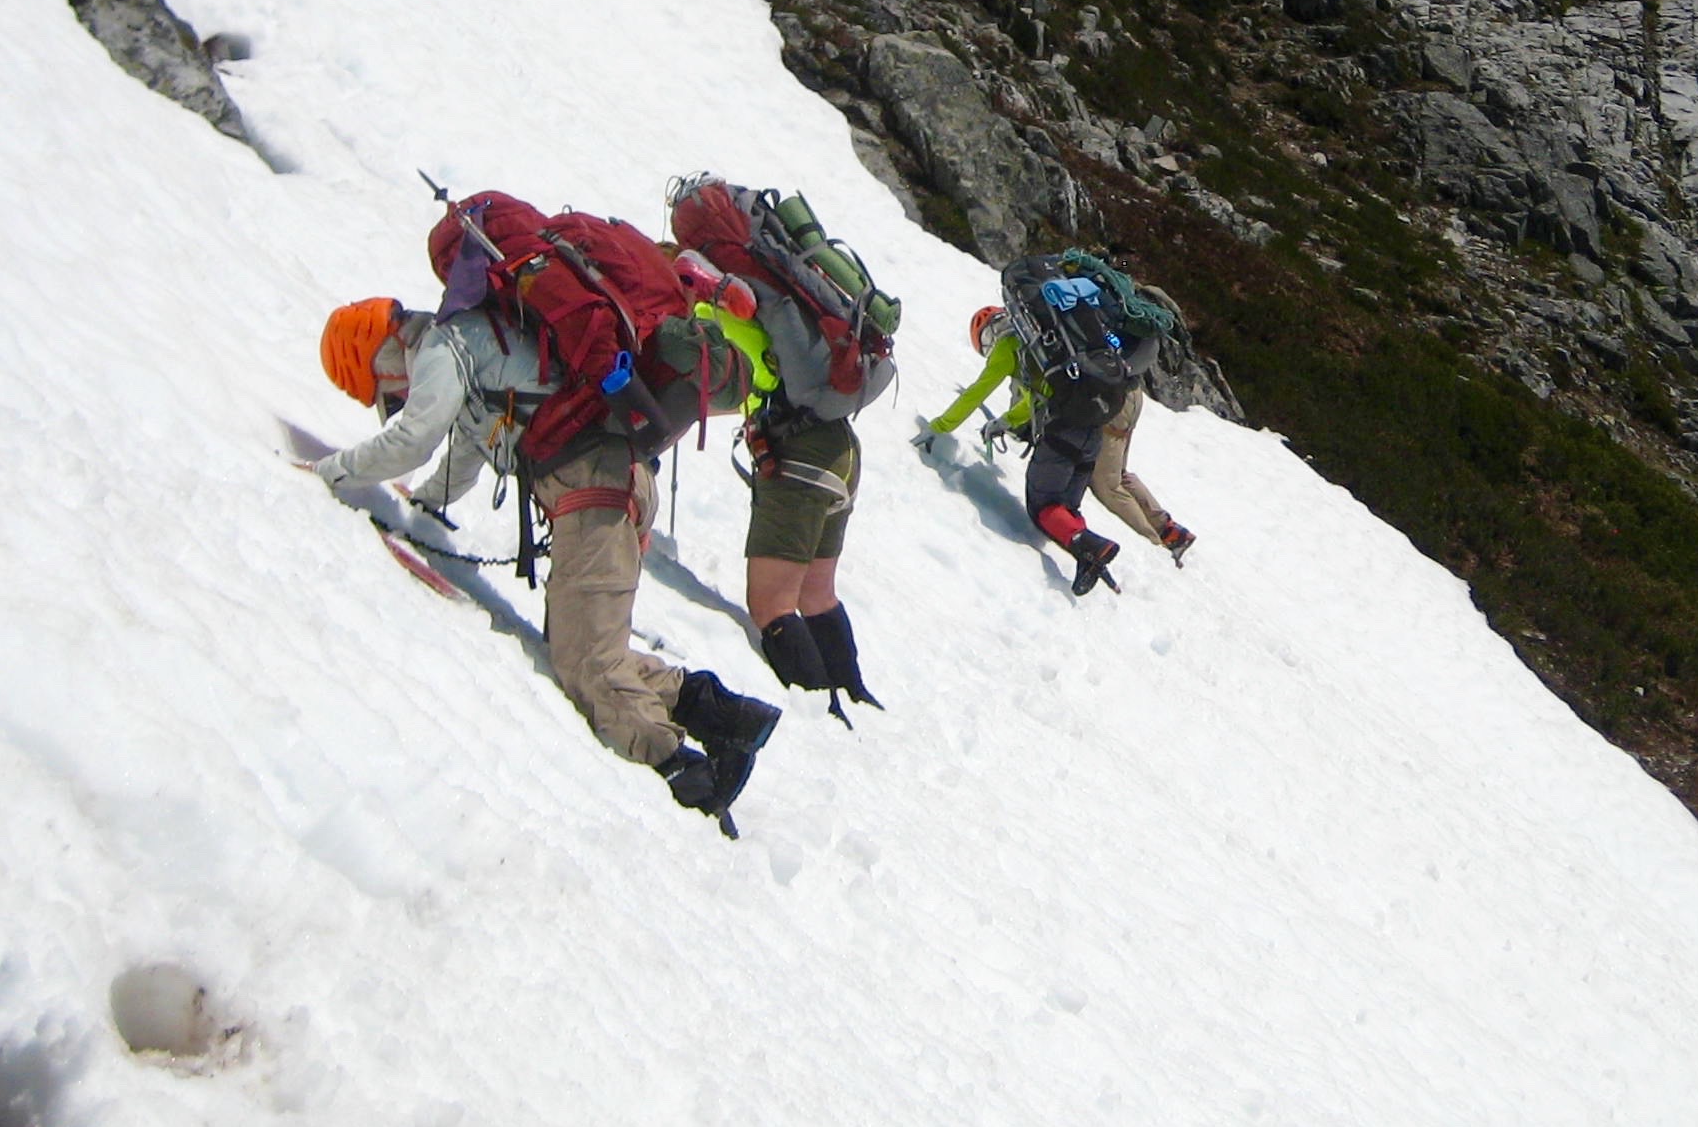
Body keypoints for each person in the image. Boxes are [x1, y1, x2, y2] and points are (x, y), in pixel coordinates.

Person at [313, 294, 780, 829]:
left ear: (382, 356)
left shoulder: (444, 345)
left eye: (384, 389)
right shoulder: (476, 340)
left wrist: (330, 472)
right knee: (583, 646)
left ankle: (690, 783)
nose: (395, 398)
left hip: (592, 488)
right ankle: (714, 710)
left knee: (588, 666)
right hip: (608, 481)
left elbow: (413, 439)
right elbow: (468, 446)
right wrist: (420, 507)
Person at [666, 179, 893, 719]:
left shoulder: (726, 303)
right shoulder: (775, 280)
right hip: (839, 449)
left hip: (797, 457)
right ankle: (855, 696)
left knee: (771, 605)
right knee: (817, 593)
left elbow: (736, 382)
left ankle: (820, 717)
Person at [917, 269, 1195, 594]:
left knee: (1045, 505)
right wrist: (1005, 421)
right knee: (1071, 502)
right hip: (1099, 420)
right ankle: (1089, 556)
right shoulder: (1049, 342)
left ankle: (1105, 547)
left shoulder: (1011, 347)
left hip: (1067, 426)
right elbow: (1034, 398)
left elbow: (975, 394)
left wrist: (938, 427)